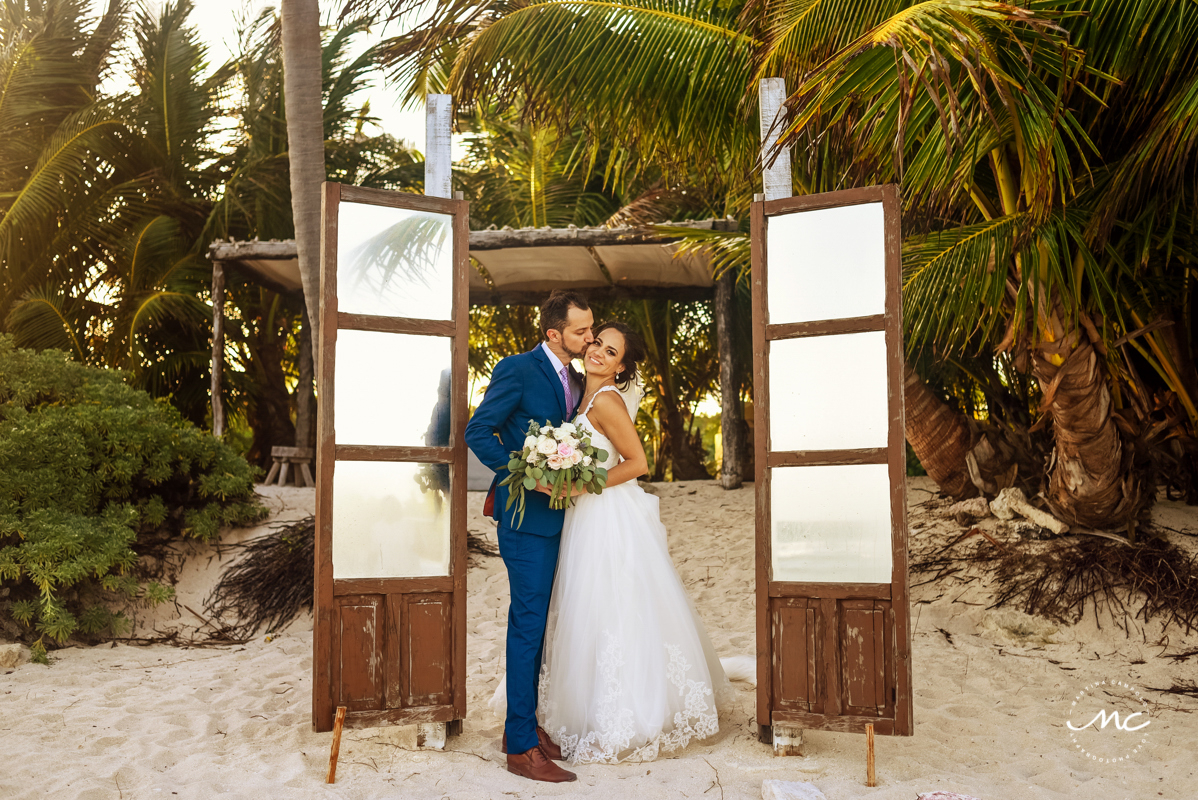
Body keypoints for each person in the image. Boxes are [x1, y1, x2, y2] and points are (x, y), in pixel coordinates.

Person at [535, 320, 730, 764]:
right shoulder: (580, 396)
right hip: (584, 518)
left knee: (613, 610)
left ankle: (623, 716)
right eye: (598, 343)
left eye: (611, 352)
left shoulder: (606, 401)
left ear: (621, 368)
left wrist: (584, 486)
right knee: (589, 609)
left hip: (607, 516)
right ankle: (589, 708)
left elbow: (638, 462)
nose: (599, 352)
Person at [464, 290, 593, 783]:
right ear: (553, 333)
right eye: (581, 330)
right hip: (524, 518)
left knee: (541, 626)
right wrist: (522, 472)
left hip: (565, 518)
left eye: (591, 328)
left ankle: (525, 725)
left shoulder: (578, 379)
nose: (589, 336)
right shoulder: (516, 368)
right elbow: (480, 430)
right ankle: (520, 745)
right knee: (527, 625)